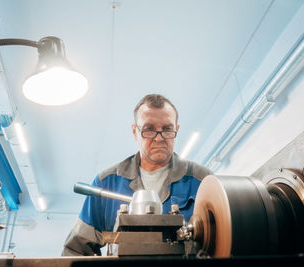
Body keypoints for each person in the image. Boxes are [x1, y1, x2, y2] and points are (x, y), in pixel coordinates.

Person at [62, 94, 212, 256]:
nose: (159, 138)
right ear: (135, 132)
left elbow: (226, 244)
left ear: (176, 129)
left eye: (167, 129)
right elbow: (75, 250)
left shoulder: (203, 181)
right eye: (149, 129)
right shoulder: (108, 183)